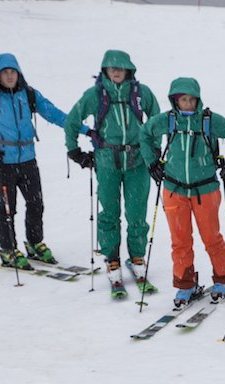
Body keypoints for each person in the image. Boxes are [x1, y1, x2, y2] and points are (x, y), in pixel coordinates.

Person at [64, 50, 161, 298]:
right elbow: (72, 120)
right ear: (105, 70)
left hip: (138, 161)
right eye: (111, 68)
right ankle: (112, 257)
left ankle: (137, 256)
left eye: (120, 68)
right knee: (109, 211)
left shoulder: (142, 93)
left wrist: (154, 150)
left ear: (129, 70)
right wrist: (74, 150)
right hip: (107, 161)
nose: (116, 72)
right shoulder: (95, 95)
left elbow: (157, 120)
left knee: (137, 211)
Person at [140, 78, 225, 308]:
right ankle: (185, 284)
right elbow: (145, 134)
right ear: (175, 101)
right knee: (180, 241)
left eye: (191, 99)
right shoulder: (167, 121)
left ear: (197, 99)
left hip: (205, 189)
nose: (187, 103)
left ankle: (224, 278)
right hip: (173, 189)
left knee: (211, 238)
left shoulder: (209, 121)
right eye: (182, 99)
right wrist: (152, 163)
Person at [0, 53, 72, 269]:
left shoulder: (29, 94)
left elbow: (53, 114)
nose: (9, 76)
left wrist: (80, 128)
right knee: (8, 208)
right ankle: (8, 249)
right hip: (3, 162)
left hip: (28, 159)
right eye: (4, 72)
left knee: (36, 203)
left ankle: (34, 243)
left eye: (12, 72)